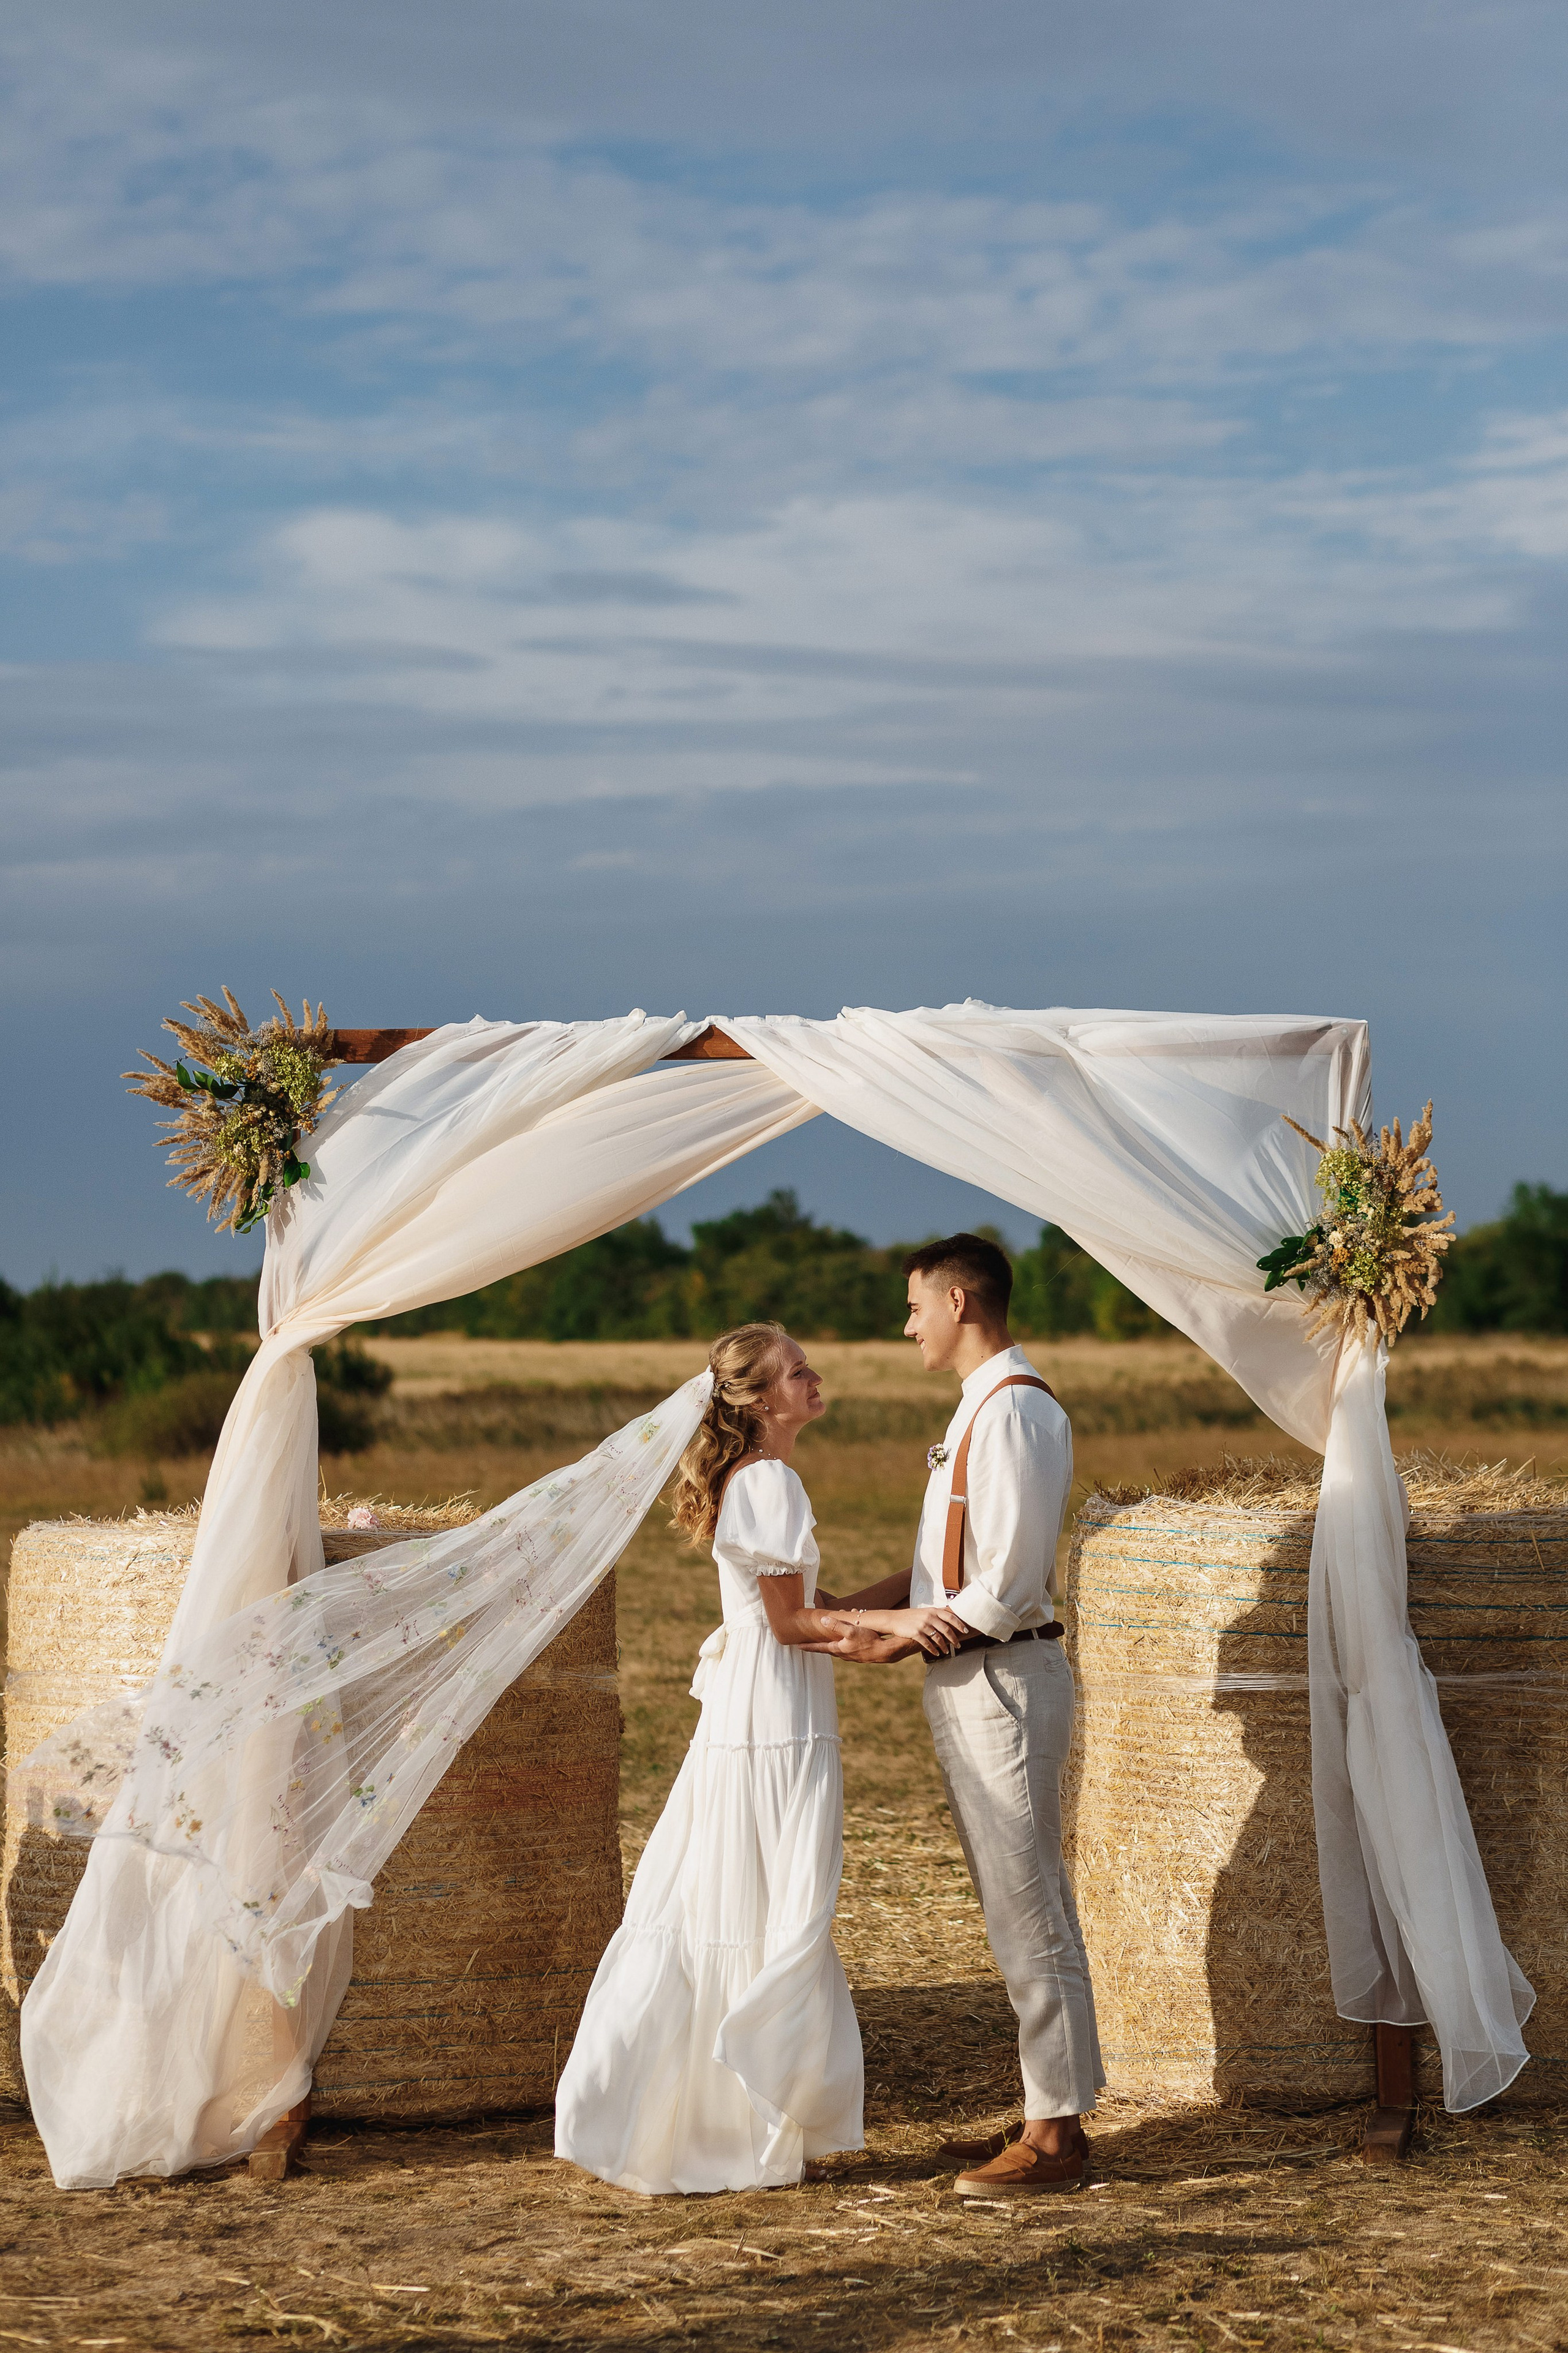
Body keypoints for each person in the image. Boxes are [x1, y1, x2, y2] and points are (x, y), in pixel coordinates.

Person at [554, 1320, 966, 2196]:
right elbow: (792, 1625)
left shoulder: (753, 1477)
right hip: (775, 1715)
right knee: (778, 1893)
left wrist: (918, 1580)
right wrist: (899, 1624)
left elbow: (816, 1605)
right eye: (796, 1371)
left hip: (759, 1702)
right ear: (755, 1401)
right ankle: (740, 2124)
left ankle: (717, 2119)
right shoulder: (770, 1477)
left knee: (735, 1888)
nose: (814, 1378)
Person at [827, 1234, 1104, 2195]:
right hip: (969, 1673)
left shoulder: (1019, 1412)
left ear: (957, 1300)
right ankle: (1045, 2099)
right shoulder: (979, 1407)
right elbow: (940, 1566)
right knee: (1010, 1899)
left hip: (1003, 1679)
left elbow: (1012, 1580)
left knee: (1030, 1902)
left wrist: (900, 1638)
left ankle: (1058, 2133)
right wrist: (845, 1610)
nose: (906, 1325)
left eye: (914, 1306)